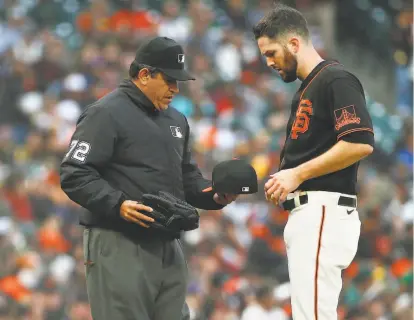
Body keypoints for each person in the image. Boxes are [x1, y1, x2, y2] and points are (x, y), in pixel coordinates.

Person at [60, 36, 238, 320]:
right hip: (118, 241)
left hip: (168, 243)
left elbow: (186, 177)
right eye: (169, 80)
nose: (175, 89)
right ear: (144, 75)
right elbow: (74, 173)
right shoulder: (106, 113)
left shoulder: (176, 120)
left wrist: (214, 194)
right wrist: (117, 204)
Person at [252, 4, 374, 320]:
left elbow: (359, 143)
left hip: (322, 209)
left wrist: (296, 174)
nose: (268, 62)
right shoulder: (307, 88)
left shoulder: (335, 79)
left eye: (271, 52)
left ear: (294, 43)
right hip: (311, 213)